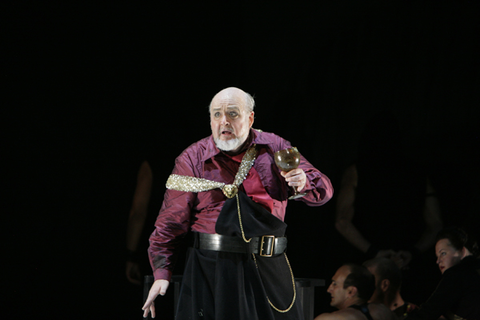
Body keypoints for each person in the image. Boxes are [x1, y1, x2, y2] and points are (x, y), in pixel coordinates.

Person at [142, 87, 334, 320]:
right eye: (216, 115)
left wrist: (303, 182)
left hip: (268, 266)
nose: (224, 121)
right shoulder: (192, 158)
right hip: (212, 270)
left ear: (250, 118)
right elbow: (170, 221)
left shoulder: (274, 146)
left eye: (233, 114)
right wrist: (161, 273)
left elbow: (324, 191)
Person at [334, 111, 443, 302]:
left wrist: (374, 252)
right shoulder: (418, 173)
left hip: (369, 263)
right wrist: (412, 252)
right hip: (405, 261)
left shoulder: (357, 170)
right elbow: (435, 224)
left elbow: (342, 221)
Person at [404, 226, 480, 320]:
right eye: (437, 256)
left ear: (462, 251)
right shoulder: (473, 272)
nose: (438, 261)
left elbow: (427, 313)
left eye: (443, 253)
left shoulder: (456, 274)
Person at [315, 264, 395, 320]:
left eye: (335, 284)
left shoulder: (330, 319)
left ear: (351, 291)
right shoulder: (384, 312)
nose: (329, 290)